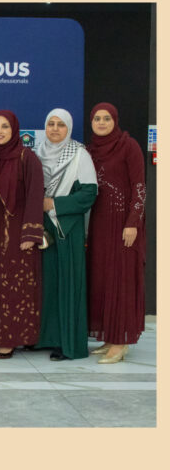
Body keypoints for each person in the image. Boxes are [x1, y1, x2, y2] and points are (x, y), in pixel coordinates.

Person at [0, 110, 44, 359]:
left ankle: (11, 339)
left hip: (17, 234)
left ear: (14, 129)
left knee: (15, 288)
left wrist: (30, 234)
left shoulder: (28, 158)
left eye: (5, 126)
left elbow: (35, 197)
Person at [35, 108, 98, 360]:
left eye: (61, 125)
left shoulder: (79, 156)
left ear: (69, 128)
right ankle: (46, 337)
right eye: (50, 124)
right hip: (42, 230)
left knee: (68, 285)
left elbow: (88, 194)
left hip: (66, 230)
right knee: (47, 285)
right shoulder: (37, 153)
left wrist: (56, 205)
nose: (55, 129)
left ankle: (68, 342)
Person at [86, 102, 145, 364]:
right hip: (99, 225)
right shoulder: (90, 150)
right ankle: (110, 336)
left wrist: (133, 222)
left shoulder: (128, 146)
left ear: (115, 120)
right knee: (104, 280)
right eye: (97, 118)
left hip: (123, 225)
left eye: (106, 118)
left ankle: (121, 342)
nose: (101, 123)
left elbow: (140, 188)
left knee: (121, 280)